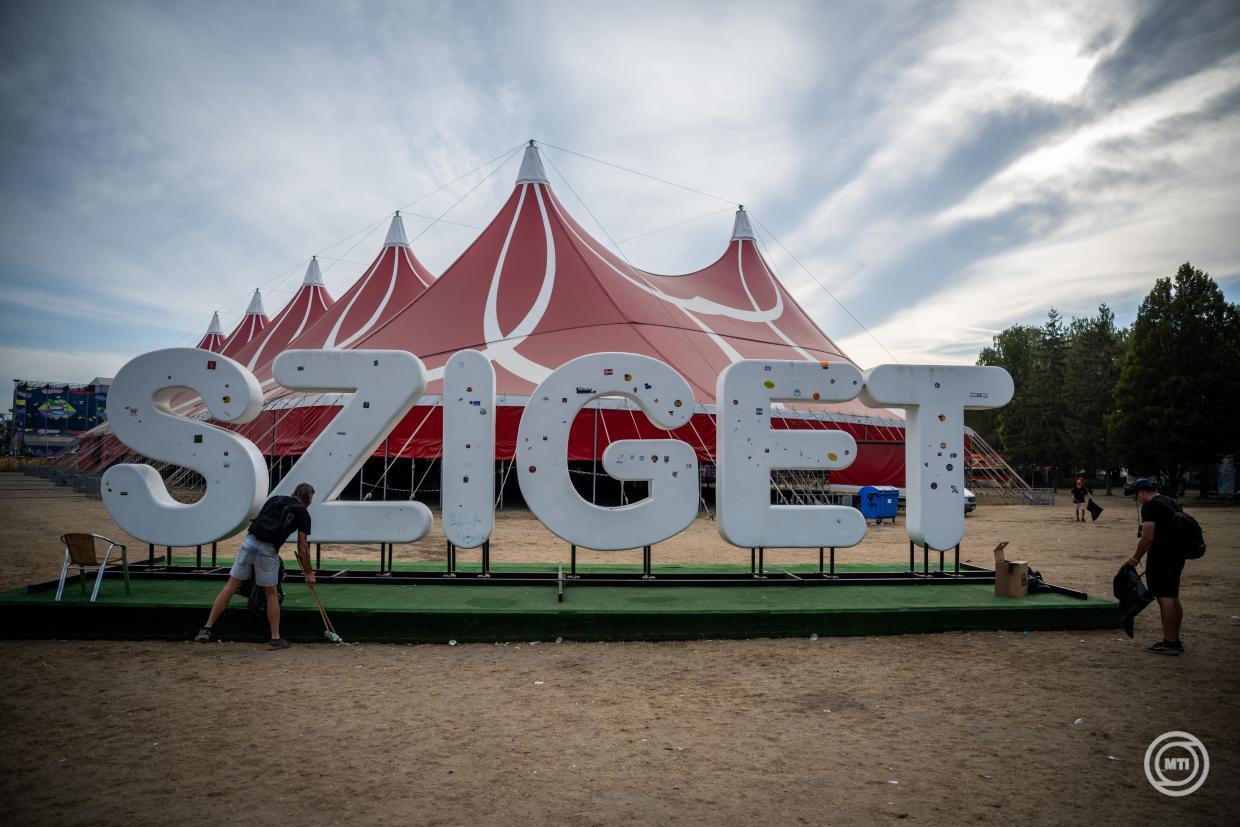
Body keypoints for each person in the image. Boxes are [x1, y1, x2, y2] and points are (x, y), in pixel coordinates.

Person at [195, 483, 315, 649]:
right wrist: (309, 572)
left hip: (249, 542)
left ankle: (207, 628)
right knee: (271, 594)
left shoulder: (275, 499)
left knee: (230, 586)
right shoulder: (303, 512)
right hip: (268, 550)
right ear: (308, 499)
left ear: (295, 492)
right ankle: (275, 638)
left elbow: (258, 519)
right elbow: (302, 548)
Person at [1122, 478, 1184, 655]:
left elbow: (1147, 537)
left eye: (1136, 496)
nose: (1136, 500)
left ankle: (1169, 642)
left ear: (1142, 492)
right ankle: (1175, 639)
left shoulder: (1150, 507)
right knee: (1172, 595)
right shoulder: (1170, 501)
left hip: (1162, 555)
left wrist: (1135, 558)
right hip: (1177, 554)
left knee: (1164, 597)